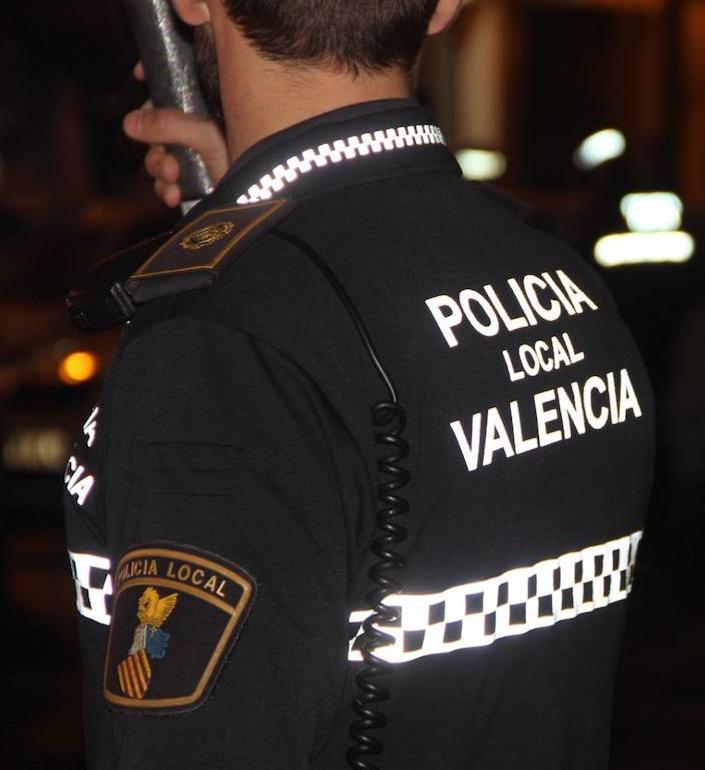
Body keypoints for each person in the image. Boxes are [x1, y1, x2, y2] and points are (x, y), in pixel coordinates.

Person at [62, 1, 655, 767]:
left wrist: (253, 262)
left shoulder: (222, 347)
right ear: (445, 7)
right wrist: (250, 217)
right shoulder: (560, 280)